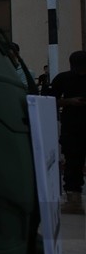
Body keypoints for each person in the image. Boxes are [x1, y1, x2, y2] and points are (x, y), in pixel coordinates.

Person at [51, 50, 86, 214]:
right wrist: (69, 102)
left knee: (73, 163)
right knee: (73, 164)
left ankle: (74, 201)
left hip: (72, 127)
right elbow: (50, 100)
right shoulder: (63, 79)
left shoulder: (63, 78)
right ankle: (74, 200)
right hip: (72, 128)